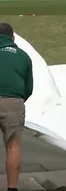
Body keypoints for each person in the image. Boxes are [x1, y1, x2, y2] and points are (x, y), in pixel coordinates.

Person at [0, 23, 33, 191]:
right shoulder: (23, 56)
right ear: (12, 38)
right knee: (13, 146)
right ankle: (12, 188)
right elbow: (28, 88)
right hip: (13, 101)